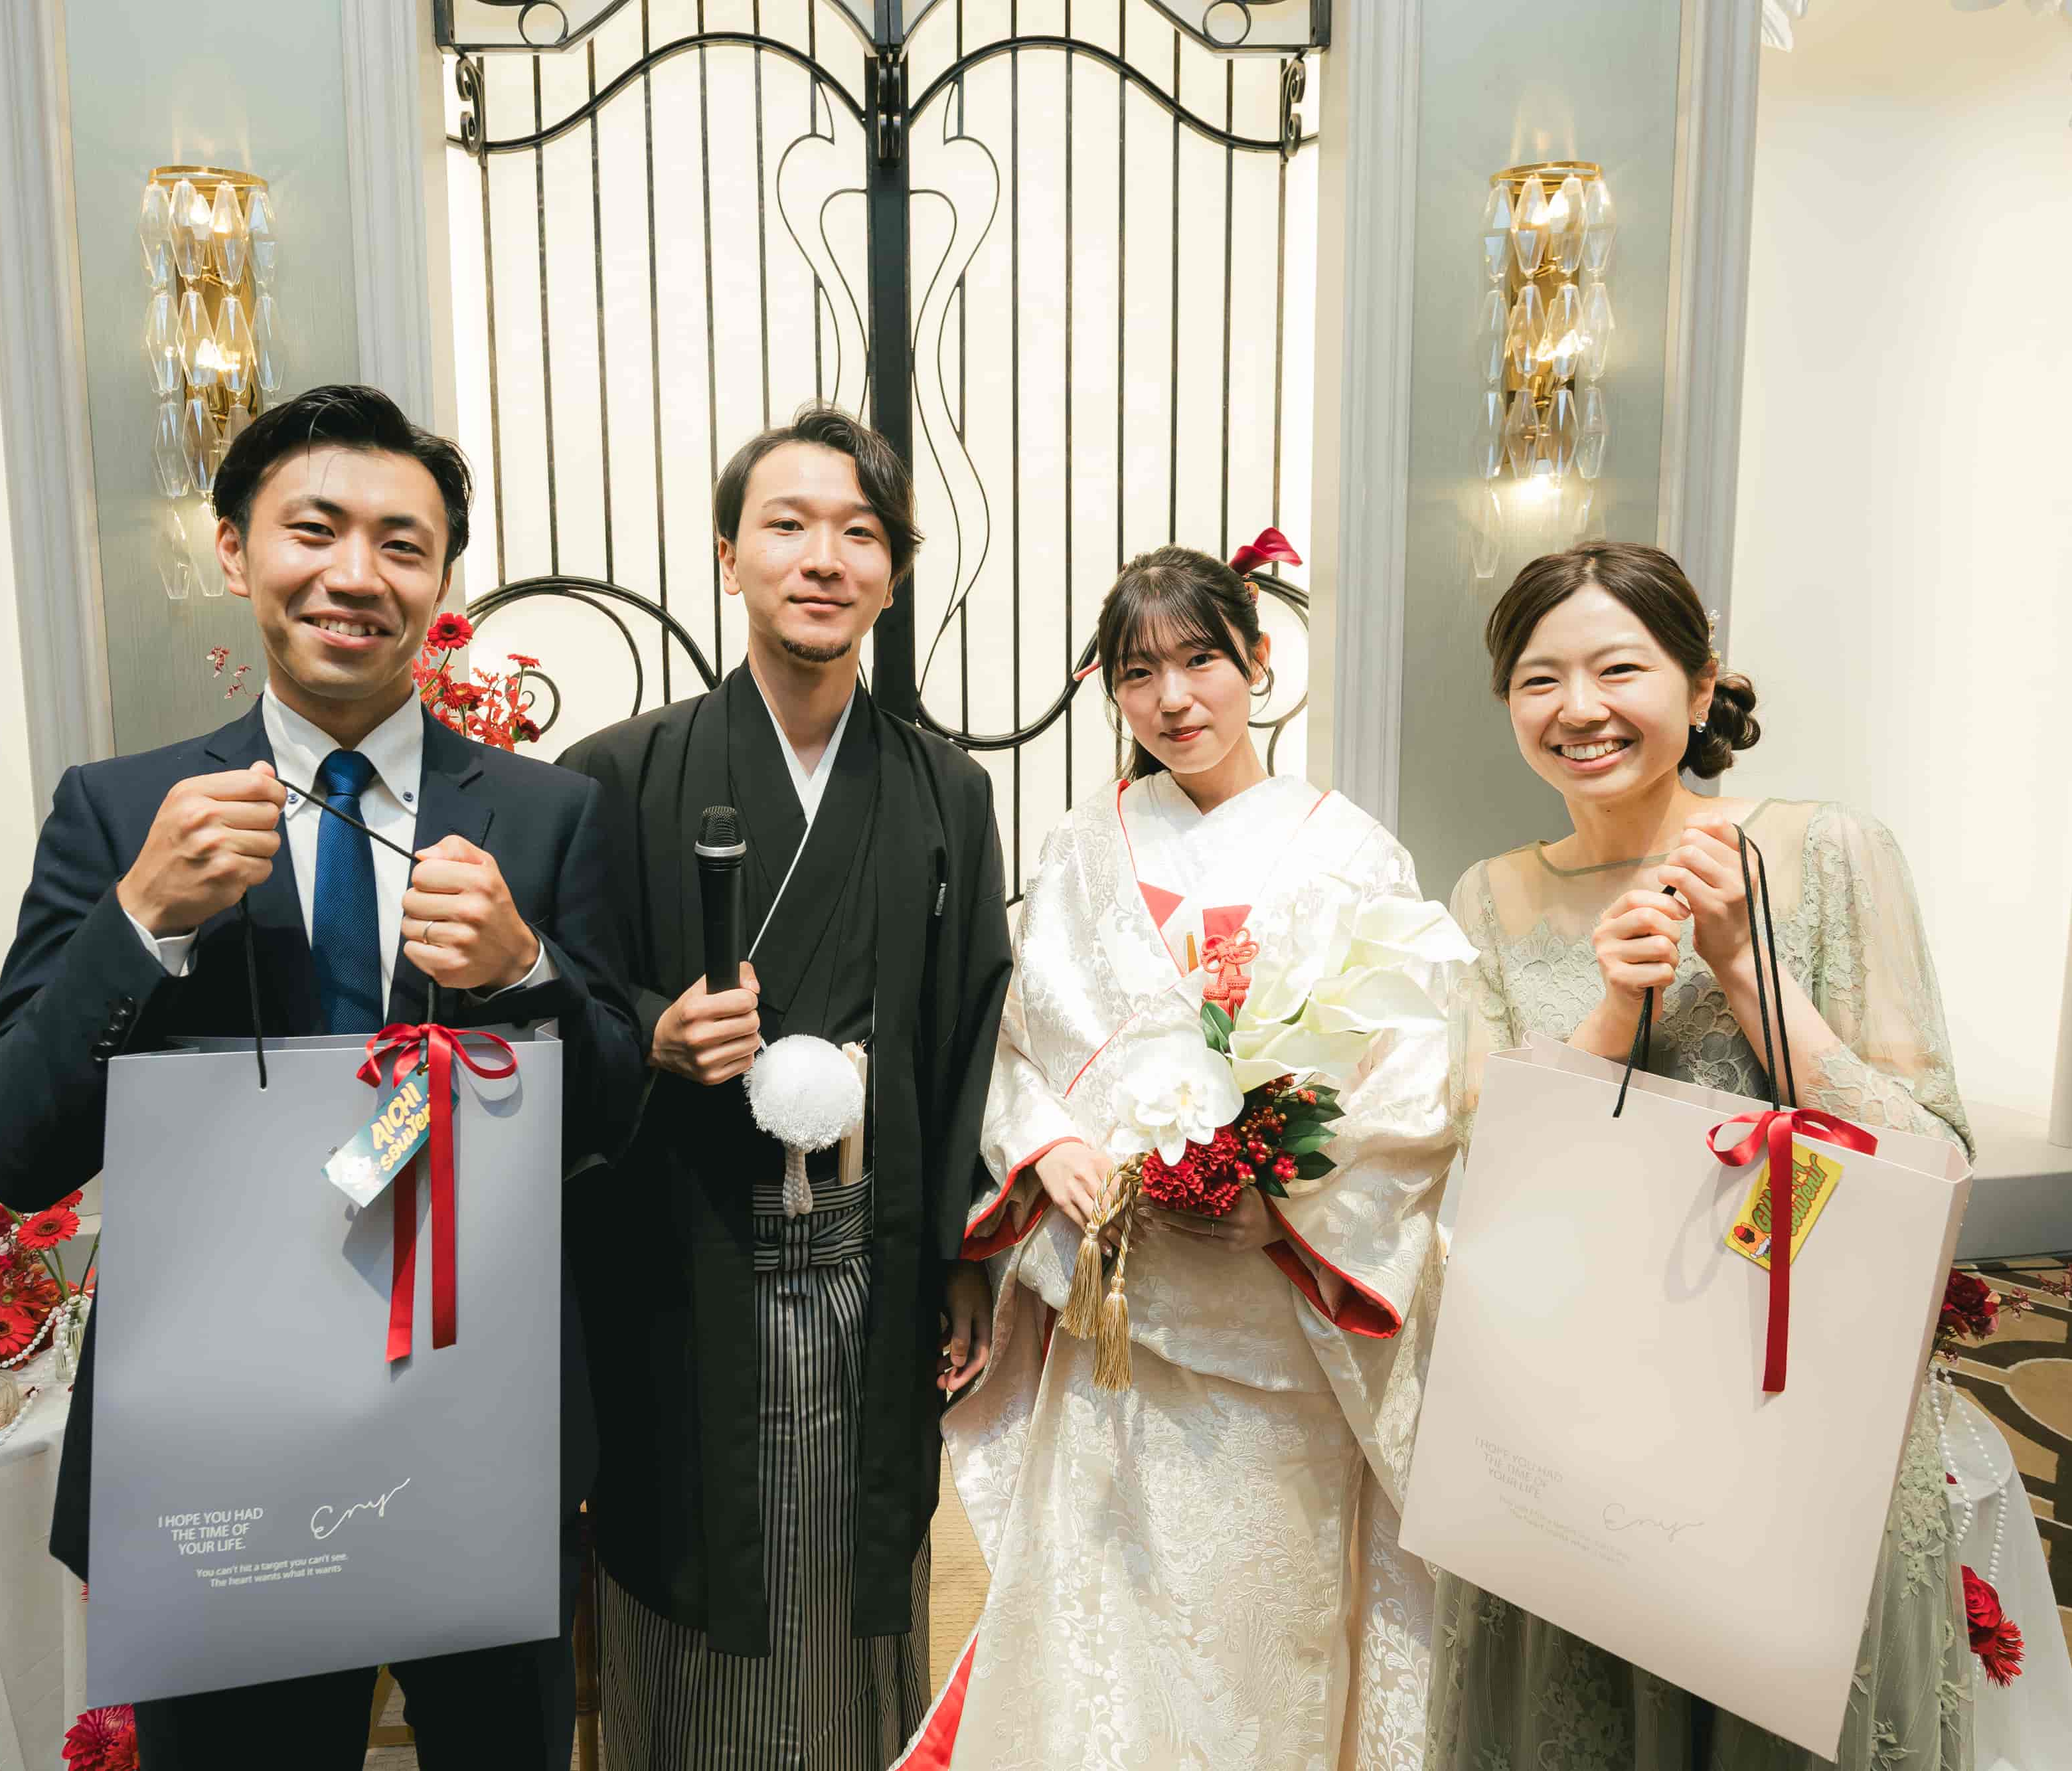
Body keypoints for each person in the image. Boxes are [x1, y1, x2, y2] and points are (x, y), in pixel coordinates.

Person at [0, 384, 642, 1770]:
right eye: (314, 529)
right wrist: (140, 919)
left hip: (477, 1421)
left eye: (402, 544)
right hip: (220, 1436)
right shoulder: (119, 811)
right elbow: (14, 1146)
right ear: (234, 549)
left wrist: (526, 974)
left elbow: (619, 1115)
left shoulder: (548, 816)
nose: (356, 574)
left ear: (441, 587)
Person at [1395, 539, 1986, 1771]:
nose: (1580, 709)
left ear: (1703, 685)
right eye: (1540, 680)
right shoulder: (1489, 900)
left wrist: (1742, 964)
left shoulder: (1830, 851)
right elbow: (1492, 1178)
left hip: (1792, 1402)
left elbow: (1930, 1157)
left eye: (1620, 668)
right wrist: (1615, 1009)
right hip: (1578, 1416)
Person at [899, 545, 1465, 1770]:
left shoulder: (1350, 850)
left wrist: (1289, 1204)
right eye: (1138, 671)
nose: (1173, 698)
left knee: (1269, 1635)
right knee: (1106, 1618)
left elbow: (1416, 1072)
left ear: (1259, 661)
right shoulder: (1082, 847)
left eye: (1202, 659)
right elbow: (1013, 1037)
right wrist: (1047, 1142)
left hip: (1279, 1316)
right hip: (1121, 1315)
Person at [556, 404, 1015, 1770]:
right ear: (728, 556)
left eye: (860, 533)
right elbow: (560, 1009)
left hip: (874, 1257)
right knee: (696, 1570)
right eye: (788, 524)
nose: (824, 558)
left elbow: (973, 1024)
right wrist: (653, 1034)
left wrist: (967, 1253)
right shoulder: (615, 775)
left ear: (893, 572)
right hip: (686, 1255)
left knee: (853, 1571)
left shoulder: (943, 790)